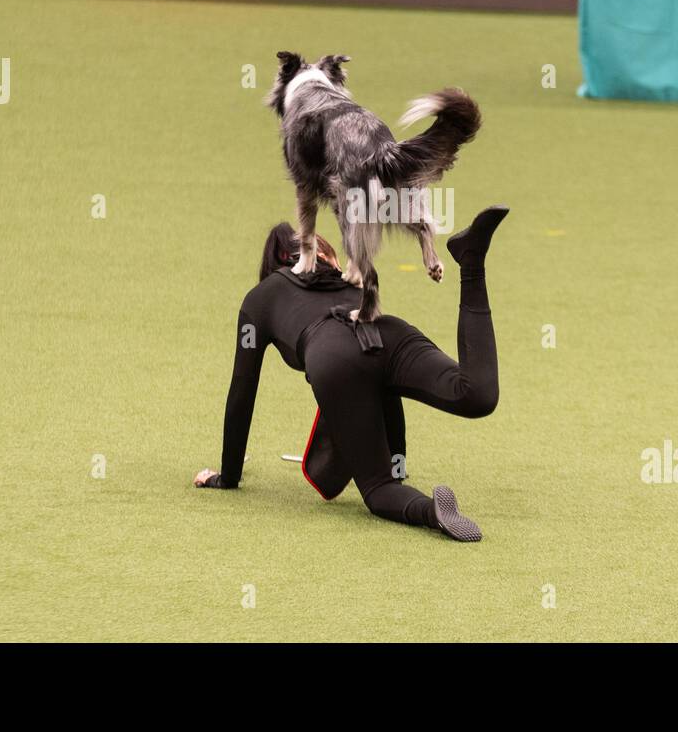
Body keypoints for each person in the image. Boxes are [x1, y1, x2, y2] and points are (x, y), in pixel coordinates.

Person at [193, 206, 510, 542]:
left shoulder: (259, 299)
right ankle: (472, 264)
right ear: (322, 254)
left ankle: (432, 512)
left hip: (332, 357)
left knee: (378, 490)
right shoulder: (349, 281)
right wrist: (397, 460)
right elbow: (384, 388)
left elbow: (242, 392)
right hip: (389, 332)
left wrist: (226, 477)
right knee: (475, 393)